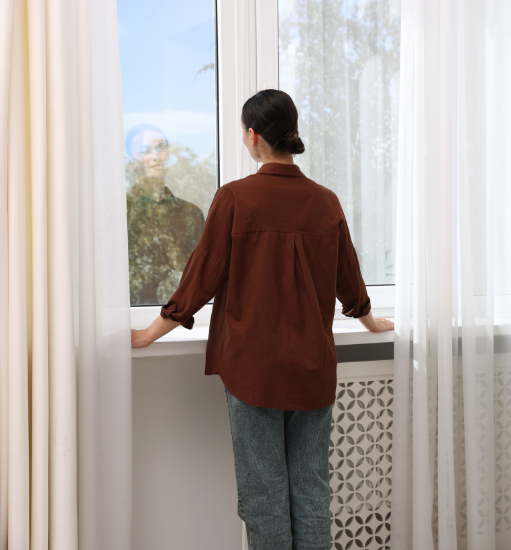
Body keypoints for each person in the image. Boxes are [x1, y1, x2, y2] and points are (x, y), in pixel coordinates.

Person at [130, 89, 394, 550]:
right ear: (290, 135)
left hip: (253, 370)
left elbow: (202, 275)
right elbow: (349, 280)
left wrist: (152, 332)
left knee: (264, 495)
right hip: (314, 368)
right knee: (312, 491)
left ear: (252, 137)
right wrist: (371, 322)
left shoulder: (235, 198)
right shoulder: (326, 201)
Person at [125, 124, 205, 305]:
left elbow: (202, 275)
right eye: (145, 151)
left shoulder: (191, 214)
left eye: (161, 148)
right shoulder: (121, 211)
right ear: (131, 161)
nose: (156, 156)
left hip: (182, 319)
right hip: (132, 316)